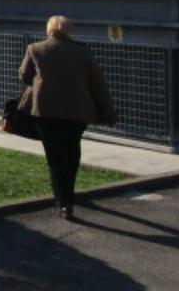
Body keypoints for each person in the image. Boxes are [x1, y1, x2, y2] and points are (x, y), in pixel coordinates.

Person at [18, 15, 117, 220]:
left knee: (54, 157)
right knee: (72, 153)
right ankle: (69, 194)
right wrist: (109, 115)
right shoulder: (83, 52)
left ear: (49, 30)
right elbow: (98, 84)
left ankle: (63, 202)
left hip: (46, 112)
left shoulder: (35, 49)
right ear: (69, 30)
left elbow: (24, 76)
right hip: (76, 112)